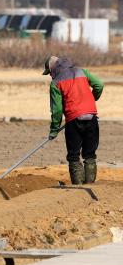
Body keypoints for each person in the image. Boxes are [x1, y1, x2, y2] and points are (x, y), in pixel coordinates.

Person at [45, 56, 104, 184]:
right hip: (91, 117)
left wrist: (54, 130)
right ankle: (90, 185)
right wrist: (91, 101)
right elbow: (99, 85)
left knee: (73, 156)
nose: (50, 75)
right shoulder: (82, 71)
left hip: (73, 120)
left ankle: (77, 189)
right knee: (90, 154)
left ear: (53, 69)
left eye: (49, 72)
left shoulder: (55, 82)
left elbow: (57, 111)